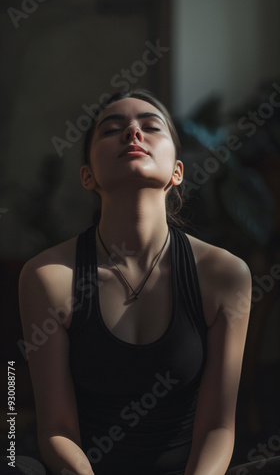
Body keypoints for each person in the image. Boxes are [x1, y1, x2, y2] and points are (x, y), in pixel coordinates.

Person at [18, 89, 277, 475]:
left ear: (177, 171)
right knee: (10, 461)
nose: (133, 133)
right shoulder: (49, 276)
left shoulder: (225, 275)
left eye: (150, 126)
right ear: (87, 175)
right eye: (112, 129)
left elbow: (218, 427)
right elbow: (56, 430)